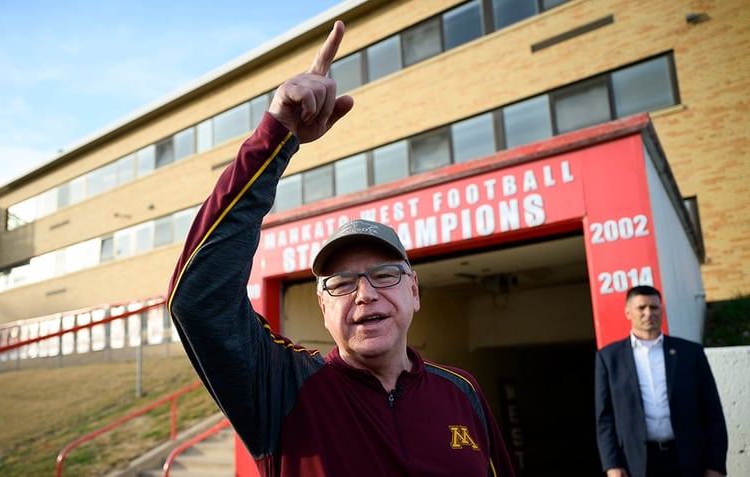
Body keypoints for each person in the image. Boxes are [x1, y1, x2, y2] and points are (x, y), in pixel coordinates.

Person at [167, 20, 515, 477]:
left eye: (384, 274)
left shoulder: (462, 392)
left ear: (414, 291)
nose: (365, 295)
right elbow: (199, 301)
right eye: (342, 283)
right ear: (322, 307)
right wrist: (277, 135)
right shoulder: (283, 389)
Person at [594, 285, 728, 477]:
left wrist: (716, 465)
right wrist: (612, 465)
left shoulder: (690, 353)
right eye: (641, 308)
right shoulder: (609, 358)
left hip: (689, 460)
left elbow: (712, 411)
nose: (649, 313)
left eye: (654, 307)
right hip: (637, 464)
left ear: (661, 310)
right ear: (628, 312)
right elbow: (604, 418)